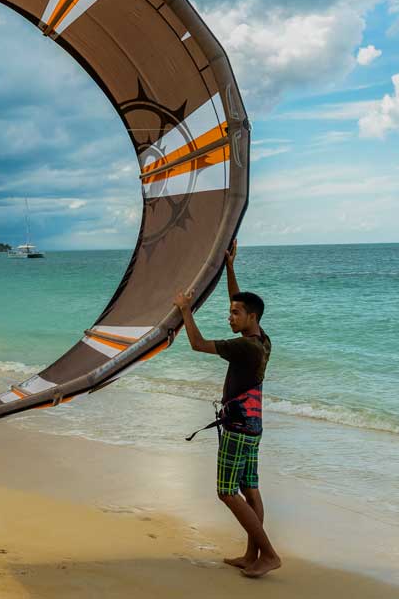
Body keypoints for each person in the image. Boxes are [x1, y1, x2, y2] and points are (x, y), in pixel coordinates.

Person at [173, 240, 281, 579]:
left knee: (226, 491)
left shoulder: (243, 348)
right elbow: (239, 301)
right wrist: (230, 268)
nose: (230, 316)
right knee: (249, 487)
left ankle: (269, 554)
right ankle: (253, 555)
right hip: (254, 427)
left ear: (252, 317)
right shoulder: (262, 338)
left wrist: (184, 310)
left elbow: (197, 344)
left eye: (235, 314)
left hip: (237, 428)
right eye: (230, 311)